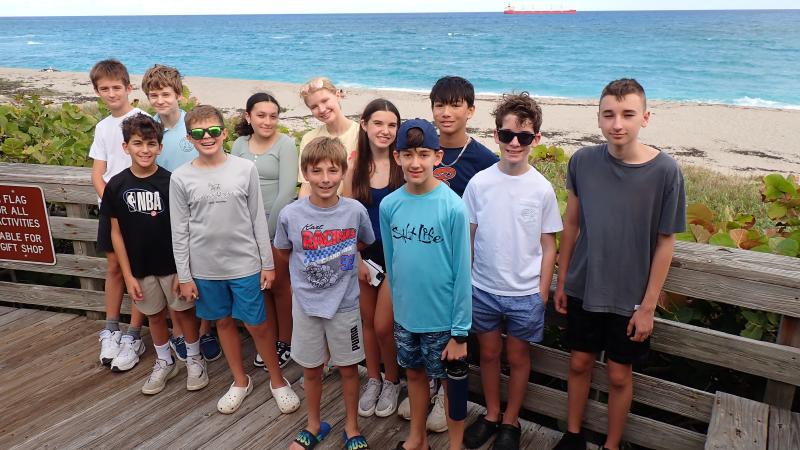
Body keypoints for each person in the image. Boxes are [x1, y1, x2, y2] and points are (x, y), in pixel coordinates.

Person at [552, 79, 686, 450]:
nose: (618, 124)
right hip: (583, 285)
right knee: (578, 364)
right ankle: (573, 435)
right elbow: (573, 223)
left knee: (618, 375)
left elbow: (665, 242)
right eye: (609, 115)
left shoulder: (666, 172)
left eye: (628, 115)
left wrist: (648, 307)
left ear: (645, 117)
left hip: (630, 297)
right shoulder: (582, 161)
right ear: (598, 118)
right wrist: (563, 281)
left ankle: (612, 445)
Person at [169, 105, 300, 415]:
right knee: (223, 322)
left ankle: (278, 381)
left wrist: (267, 263)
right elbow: (179, 230)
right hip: (205, 268)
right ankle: (240, 381)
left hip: (245, 264)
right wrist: (184, 276)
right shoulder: (181, 177)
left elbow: (257, 219)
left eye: (213, 131)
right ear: (189, 138)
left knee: (258, 324)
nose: (207, 137)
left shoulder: (244, 169)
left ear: (224, 133)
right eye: (199, 133)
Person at [461, 93, 562, 450]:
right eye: (507, 135)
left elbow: (549, 244)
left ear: (536, 139)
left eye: (523, 136)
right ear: (496, 135)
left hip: (524, 293)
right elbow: (468, 237)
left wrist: (541, 290)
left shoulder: (542, 189)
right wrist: (466, 283)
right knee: (487, 354)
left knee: (518, 358)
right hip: (483, 288)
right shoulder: (479, 184)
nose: (514, 143)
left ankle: (511, 420)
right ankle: (491, 414)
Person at [275, 137, 375, 450]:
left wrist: (343, 260)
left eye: (333, 171)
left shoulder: (355, 211)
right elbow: (283, 250)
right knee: (311, 370)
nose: (325, 179)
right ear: (305, 173)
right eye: (316, 171)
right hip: (305, 307)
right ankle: (314, 424)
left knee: (348, 369)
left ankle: (352, 426)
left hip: (345, 306)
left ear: (344, 172)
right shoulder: (291, 214)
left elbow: (362, 241)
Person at [380, 119, 472, 450]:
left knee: (453, 385)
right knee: (415, 376)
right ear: (396, 157)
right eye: (407, 154)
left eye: (423, 154)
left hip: (444, 322)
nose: (415, 163)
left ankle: (456, 444)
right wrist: (399, 311)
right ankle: (417, 438)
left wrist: (460, 333)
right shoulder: (390, 205)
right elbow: (393, 265)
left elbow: (463, 273)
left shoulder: (452, 208)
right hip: (408, 317)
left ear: (437, 156)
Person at [104, 113, 207, 394]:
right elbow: (116, 233)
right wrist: (128, 275)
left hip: (172, 265)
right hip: (140, 267)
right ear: (126, 147)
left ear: (160, 147)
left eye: (151, 144)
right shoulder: (116, 185)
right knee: (155, 316)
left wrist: (184, 271)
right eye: (138, 143)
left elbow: (184, 228)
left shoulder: (171, 182)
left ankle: (194, 359)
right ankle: (164, 361)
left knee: (184, 314)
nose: (145, 150)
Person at [140, 63, 221, 363]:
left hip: (198, 208)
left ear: (178, 94)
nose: (160, 101)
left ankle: (205, 329)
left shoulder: (193, 125)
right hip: (161, 211)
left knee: (200, 269)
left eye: (165, 94)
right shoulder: (148, 126)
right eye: (154, 95)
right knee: (174, 272)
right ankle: (179, 333)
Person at [343, 99, 404, 418]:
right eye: (378, 123)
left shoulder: (404, 166)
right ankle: (375, 379)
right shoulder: (355, 167)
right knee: (366, 322)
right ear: (364, 124)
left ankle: (393, 380)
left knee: (384, 326)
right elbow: (346, 218)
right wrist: (355, 259)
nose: (385, 130)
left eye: (392, 124)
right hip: (365, 256)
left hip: (397, 257)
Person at [89, 59, 148, 372]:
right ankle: (111, 329)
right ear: (98, 92)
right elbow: (97, 172)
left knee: (138, 270)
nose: (111, 93)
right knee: (114, 267)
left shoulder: (142, 119)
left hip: (138, 207)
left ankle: (134, 334)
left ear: (128, 87)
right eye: (104, 89)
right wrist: (111, 204)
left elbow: (146, 163)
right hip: (111, 208)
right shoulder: (102, 126)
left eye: (116, 87)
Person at [231, 92, 298, 371]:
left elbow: (286, 192)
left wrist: (265, 235)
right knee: (262, 287)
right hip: (243, 229)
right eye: (261, 115)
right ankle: (268, 338)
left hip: (275, 227)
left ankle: (287, 341)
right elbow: (231, 184)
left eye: (273, 116)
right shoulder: (238, 144)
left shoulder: (285, 144)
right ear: (248, 116)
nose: (268, 121)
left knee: (280, 287)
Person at [430, 76, 498, 198]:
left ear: (470, 111)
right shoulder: (422, 152)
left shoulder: (486, 160)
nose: (446, 113)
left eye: (455, 105)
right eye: (439, 105)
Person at [297, 77, 359, 198]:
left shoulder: (361, 134)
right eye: (314, 107)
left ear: (338, 95)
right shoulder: (309, 138)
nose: (322, 109)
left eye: (325, 101)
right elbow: (306, 186)